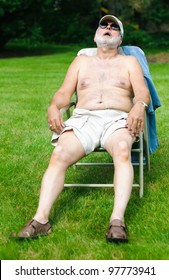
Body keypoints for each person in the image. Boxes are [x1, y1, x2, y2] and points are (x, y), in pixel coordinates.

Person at [17, 15, 150, 243]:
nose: (108, 28)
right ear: (95, 35)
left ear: (120, 40)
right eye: (104, 25)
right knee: (59, 154)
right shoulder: (81, 62)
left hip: (118, 119)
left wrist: (139, 105)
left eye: (114, 27)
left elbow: (142, 92)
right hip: (84, 119)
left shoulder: (129, 62)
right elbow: (63, 94)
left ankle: (117, 220)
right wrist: (53, 106)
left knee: (122, 149)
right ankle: (40, 220)